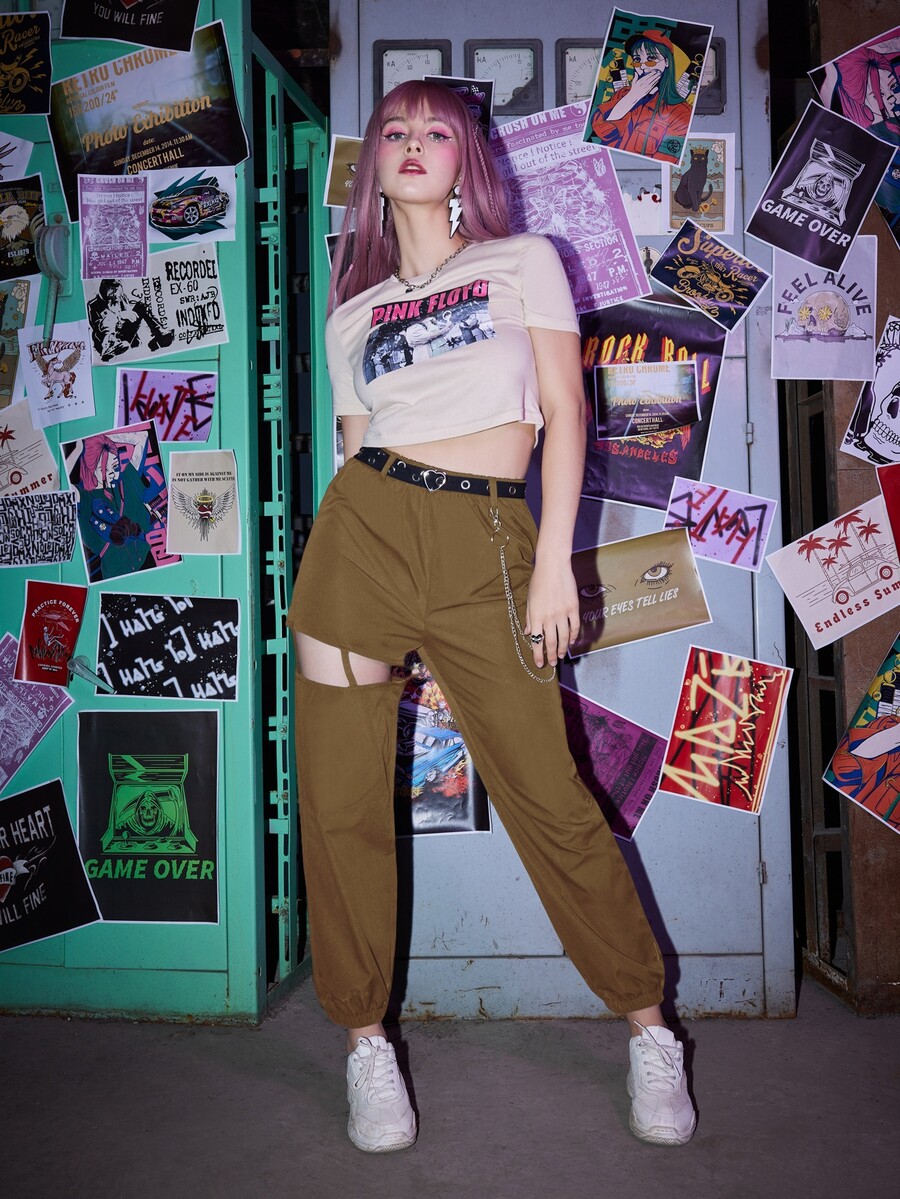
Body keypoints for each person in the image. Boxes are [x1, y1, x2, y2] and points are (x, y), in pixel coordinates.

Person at [287, 80, 696, 1154]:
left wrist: (557, 561)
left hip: (487, 539)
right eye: (395, 130)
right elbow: (353, 450)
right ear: (374, 166)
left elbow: (566, 412)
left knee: (547, 794)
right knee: (340, 803)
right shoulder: (349, 314)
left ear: (466, 158)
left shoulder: (525, 262)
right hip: (362, 536)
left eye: (437, 130)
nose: (413, 143)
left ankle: (649, 1024)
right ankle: (365, 1041)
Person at [588, 30, 692, 163]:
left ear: (666, 62)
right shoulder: (623, 94)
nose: (643, 66)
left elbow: (667, 160)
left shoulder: (681, 111)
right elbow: (601, 130)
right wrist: (632, 97)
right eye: (637, 59)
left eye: (651, 59)